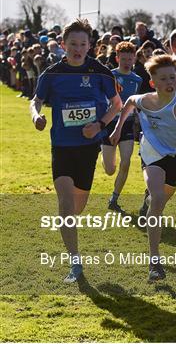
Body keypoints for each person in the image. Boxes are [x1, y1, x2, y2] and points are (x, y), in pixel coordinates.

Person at [29, 18, 122, 283]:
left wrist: (99, 124)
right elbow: (35, 100)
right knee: (66, 204)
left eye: (82, 44)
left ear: (90, 45)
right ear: (63, 45)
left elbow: (116, 104)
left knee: (77, 207)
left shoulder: (101, 72)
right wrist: (36, 116)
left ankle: (67, 227)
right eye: (73, 44)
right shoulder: (52, 74)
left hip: (88, 148)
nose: (78, 49)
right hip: (62, 146)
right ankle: (75, 263)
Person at [110, 54, 176, 281]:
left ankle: (149, 200)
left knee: (160, 200)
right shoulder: (145, 100)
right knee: (158, 199)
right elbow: (128, 102)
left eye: (172, 77)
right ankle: (155, 260)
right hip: (151, 154)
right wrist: (118, 129)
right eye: (163, 79)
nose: (169, 82)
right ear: (153, 83)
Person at [101, 41, 142, 213]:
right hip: (109, 123)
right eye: (123, 59)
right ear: (117, 58)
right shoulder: (109, 76)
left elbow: (137, 103)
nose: (127, 62)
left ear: (134, 59)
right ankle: (105, 156)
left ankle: (114, 197)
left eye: (130, 59)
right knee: (110, 170)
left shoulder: (138, 79)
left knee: (126, 163)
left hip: (127, 124)